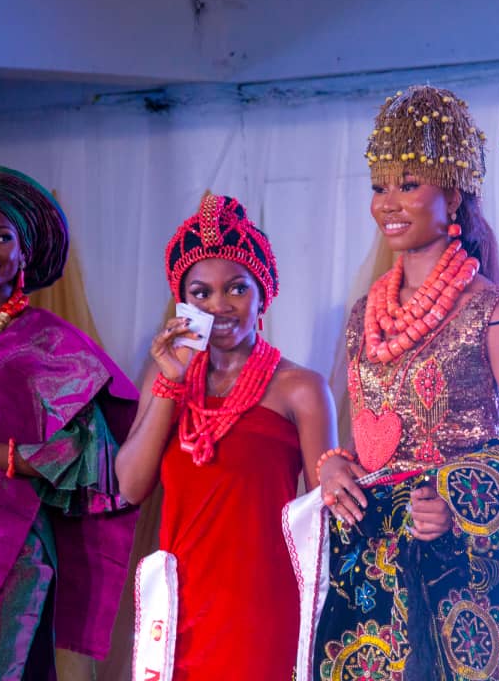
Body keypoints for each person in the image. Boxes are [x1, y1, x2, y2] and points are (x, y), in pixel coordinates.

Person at [294, 85, 499, 680]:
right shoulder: (363, 317)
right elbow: (371, 448)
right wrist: (335, 467)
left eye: (408, 184)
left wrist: (460, 503)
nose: (388, 203)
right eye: (379, 187)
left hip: (465, 575)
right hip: (371, 575)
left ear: (454, 192)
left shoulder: (492, 310)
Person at [0, 163, 139, 680]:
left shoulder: (48, 342)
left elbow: (88, 455)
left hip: (5, 554)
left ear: (23, 252)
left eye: (0, 237)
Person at [115, 192, 335, 680]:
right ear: (183, 303)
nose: (219, 306)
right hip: (176, 609)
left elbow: (326, 520)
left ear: (262, 294)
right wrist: (171, 382)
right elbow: (130, 486)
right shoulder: (165, 377)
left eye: (236, 289)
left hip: (262, 606)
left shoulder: (301, 388)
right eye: (201, 294)